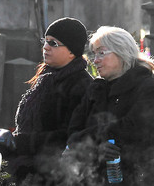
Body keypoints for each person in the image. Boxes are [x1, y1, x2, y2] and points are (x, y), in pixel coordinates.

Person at [64, 26, 154, 186]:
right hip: (95, 176)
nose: (95, 60)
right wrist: (97, 148)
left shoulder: (146, 87)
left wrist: (97, 139)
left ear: (122, 52)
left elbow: (137, 131)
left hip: (139, 177)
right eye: (94, 54)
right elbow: (73, 134)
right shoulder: (96, 89)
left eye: (102, 53)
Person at [6, 17, 93, 185]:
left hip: (54, 173)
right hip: (26, 165)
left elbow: (69, 136)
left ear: (71, 51)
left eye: (53, 43)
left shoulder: (81, 85)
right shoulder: (46, 77)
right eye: (45, 41)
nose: (45, 47)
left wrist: (20, 143)